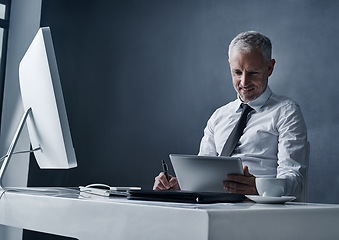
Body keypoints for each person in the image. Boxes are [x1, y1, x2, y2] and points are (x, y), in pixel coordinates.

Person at [153, 31, 308, 198]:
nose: (244, 82)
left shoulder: (286, 112)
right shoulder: (219, 116)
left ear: (269, 68)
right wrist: (180, 185)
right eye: (237, 72)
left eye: (253, 73)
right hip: (215, 208)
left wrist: (258, 187)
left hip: (260, 210)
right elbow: (200, 174)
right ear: (230, 66)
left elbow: (295, 180)